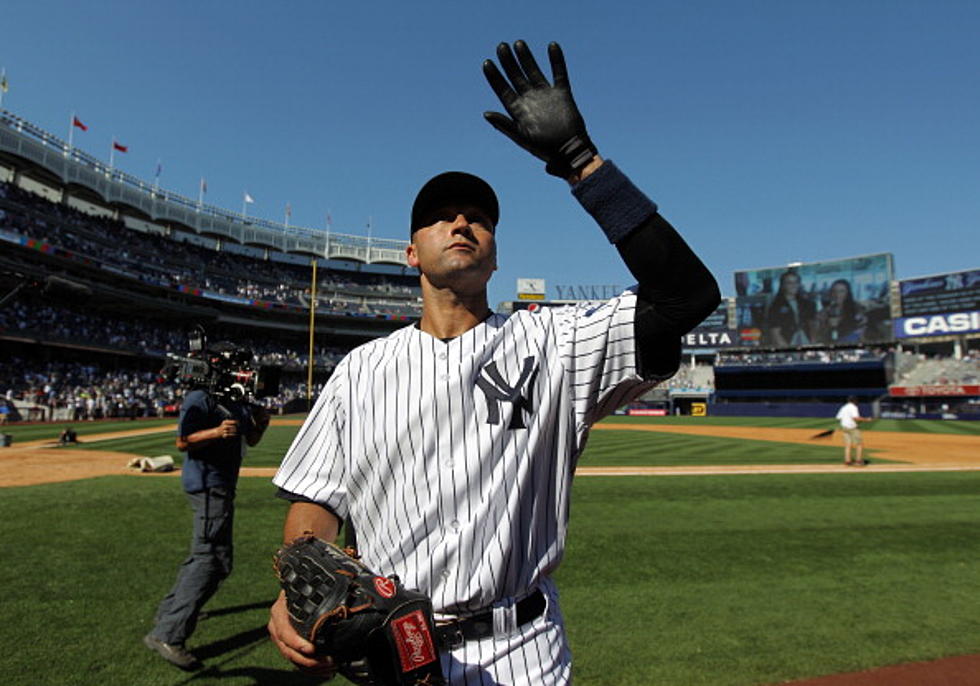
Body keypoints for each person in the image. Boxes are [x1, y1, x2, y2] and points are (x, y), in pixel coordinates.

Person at [267, 40, 720, 685]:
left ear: (496, 254)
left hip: (523, 652)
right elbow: (315, 504)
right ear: (411, 254)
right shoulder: (359, 372)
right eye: (439, 218)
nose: (460, 222)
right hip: (392, 661)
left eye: (478, 218)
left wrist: (579, 162)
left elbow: (687, 296)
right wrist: (298, 588)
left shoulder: (556, 343)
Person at [144, 343, 270, 671]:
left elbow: (250, 440)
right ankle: (168, 633)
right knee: (208, 558)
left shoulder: (236, 402)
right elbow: (182, 442)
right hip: (207, 485)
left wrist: (260, 424)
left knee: (219, 560)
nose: (247, 373)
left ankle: (171, 613)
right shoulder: (200, 399)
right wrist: (215, 431)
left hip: (223, 485)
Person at [765, 270, 816, 347]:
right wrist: (787, 350)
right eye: (789, 283)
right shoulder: (775, 307)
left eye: (796, 282)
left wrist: (813, 344)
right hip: (788, 343)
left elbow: (813, 326)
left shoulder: (807, 304)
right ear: (783, 285)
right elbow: (775, 333)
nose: (793, 285)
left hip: (806, 341)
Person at [815, 278, 866, 344]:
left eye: (841, 291)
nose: (837, 295)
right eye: (834, 291)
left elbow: (862, 330)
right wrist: (827, 325)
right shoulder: (825, 311)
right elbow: (818, 334)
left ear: (847, 293)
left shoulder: (856, 308)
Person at [835, 395, 871, 466]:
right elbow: (856, 418)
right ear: (854, 401)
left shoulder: (844, 407)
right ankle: (858, 461)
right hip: (852, 428)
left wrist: (846, 419)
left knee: (848, 445)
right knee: (859, 444)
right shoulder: (853, 407)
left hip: (844, 427)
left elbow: (838, 417)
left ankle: (847, 461)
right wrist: (867, 419)